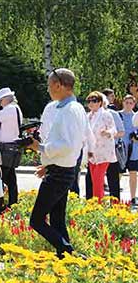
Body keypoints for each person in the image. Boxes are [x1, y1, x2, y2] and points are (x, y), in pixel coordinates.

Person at [28, 68, 90, 259]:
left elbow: (68, 144)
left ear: (59, 85)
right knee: (57, 219)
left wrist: (40, 148)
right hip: (61, 169)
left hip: (60, 173)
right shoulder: (72, 108)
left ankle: (69, 253)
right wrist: (47, 161)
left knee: (36, 220)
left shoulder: (70, 111)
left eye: (50, 85)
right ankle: (66, 259)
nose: (48, 89)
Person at [86, 93, 125, 200]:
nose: (90, 103)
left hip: (104, 152)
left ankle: (97, 205)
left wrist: (108, 132)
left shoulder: (106, 114)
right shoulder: (88, 116)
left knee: (98, 180)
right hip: (92, 153)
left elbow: (114, 129)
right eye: (88, 101)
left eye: (93, 101)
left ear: (100, 102)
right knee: (94, 181)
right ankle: (96, 205)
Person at [0, 87, 23, 214]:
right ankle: (13, 204)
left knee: (0, 178)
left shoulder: (9, 110)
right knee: (11, 178)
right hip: (14, 147)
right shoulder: (16, 109)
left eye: (0, 100)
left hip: (6, 147)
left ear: (5, 99)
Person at [119, 95, 138, 205]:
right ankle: (115, 195)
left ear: (134, 104)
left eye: (131, 103)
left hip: (134, 150)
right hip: (121, 150)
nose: (129, 105)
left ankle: (133, 197)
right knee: (119, 174)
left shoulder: (136, 116)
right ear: (123, 102)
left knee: (133, 173)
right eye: (127, 102)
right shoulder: (118, 115)